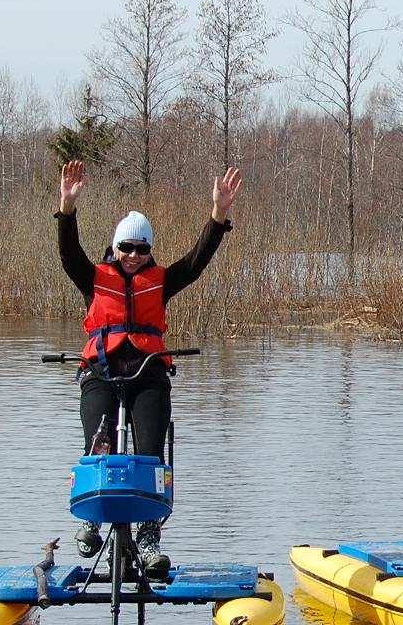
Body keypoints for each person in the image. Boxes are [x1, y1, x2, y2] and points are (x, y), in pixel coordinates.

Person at [55, 160, 242, 574]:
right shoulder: (94, 278)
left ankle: (148, 535)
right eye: (126, 248)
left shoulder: (161, 279)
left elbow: (196, 261)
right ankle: (91, 518)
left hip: (148, 375)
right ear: (115, 248)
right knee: (98, 443)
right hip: (101, 372)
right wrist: (67, 209)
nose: (134, 256)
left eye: (142, 249)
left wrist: (218, 215)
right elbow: (68, 253)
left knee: (151, 455)